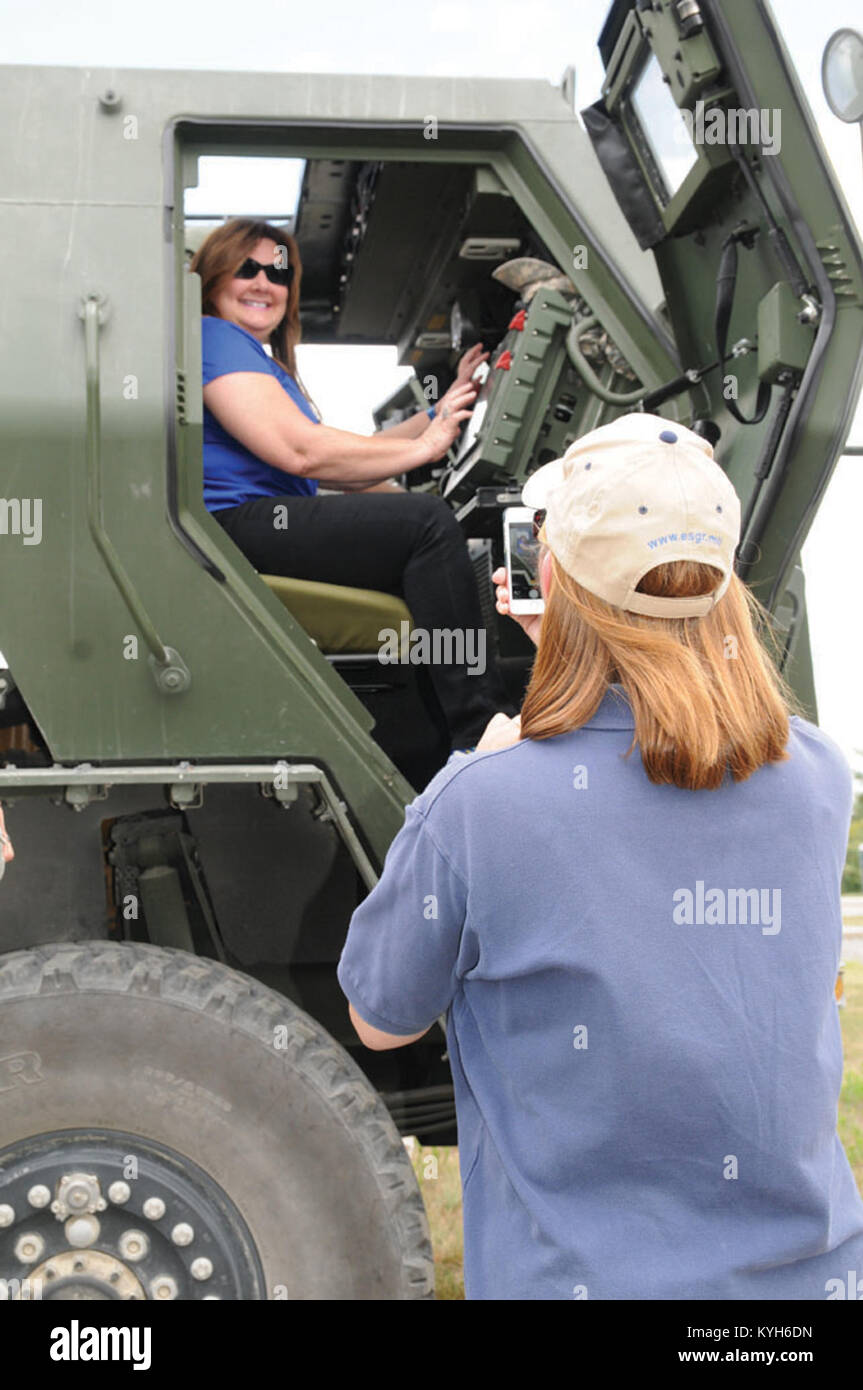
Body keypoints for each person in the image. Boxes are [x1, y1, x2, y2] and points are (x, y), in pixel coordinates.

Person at [336, 413, 863, 1300]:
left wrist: (497, 748)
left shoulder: (482, 801)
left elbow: (381, 1017)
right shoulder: (816, 774)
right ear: (721, 580)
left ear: (550, 580)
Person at [189, 217, 511, 754]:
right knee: (426, 526)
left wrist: (440, 411)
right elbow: (304, 452)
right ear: (214, 278)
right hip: (238, 525)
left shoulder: (257, 360)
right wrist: (425, 449)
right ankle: (482, 727)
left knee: (425, 525)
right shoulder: (213, 336)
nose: (263, 284)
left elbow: (341, 459)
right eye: (247, 269)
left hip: (264, 520)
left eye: (278, 273)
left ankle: (433, 752)